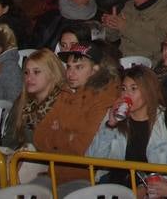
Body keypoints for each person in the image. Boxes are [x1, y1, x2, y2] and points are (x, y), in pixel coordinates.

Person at [43, 41, 123, 185]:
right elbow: (39, 137)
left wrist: (57, 133)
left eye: (79, 67)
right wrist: (68, 136)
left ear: (95, 70)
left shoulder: (106, 97)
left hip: (86, 180)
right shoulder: (65, 91)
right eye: (69, 67)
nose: (70, 73)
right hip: (54, 174)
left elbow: (83, 148)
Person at [86, 66, 167, 185]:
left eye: (133, 89)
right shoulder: (114, 115)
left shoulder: (166, 121)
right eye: (124, 89)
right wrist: (110, 125)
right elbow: (92, 160)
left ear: (148, 91)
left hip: (151, 188)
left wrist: (147, 188)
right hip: (116, 185)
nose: (126, 94)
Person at [2, 48, 66, 148]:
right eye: (26, 73)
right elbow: (9, 141)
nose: (29, 78)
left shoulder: (65, 102)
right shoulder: (22, 102)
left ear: (52, 74)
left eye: (36, 72)